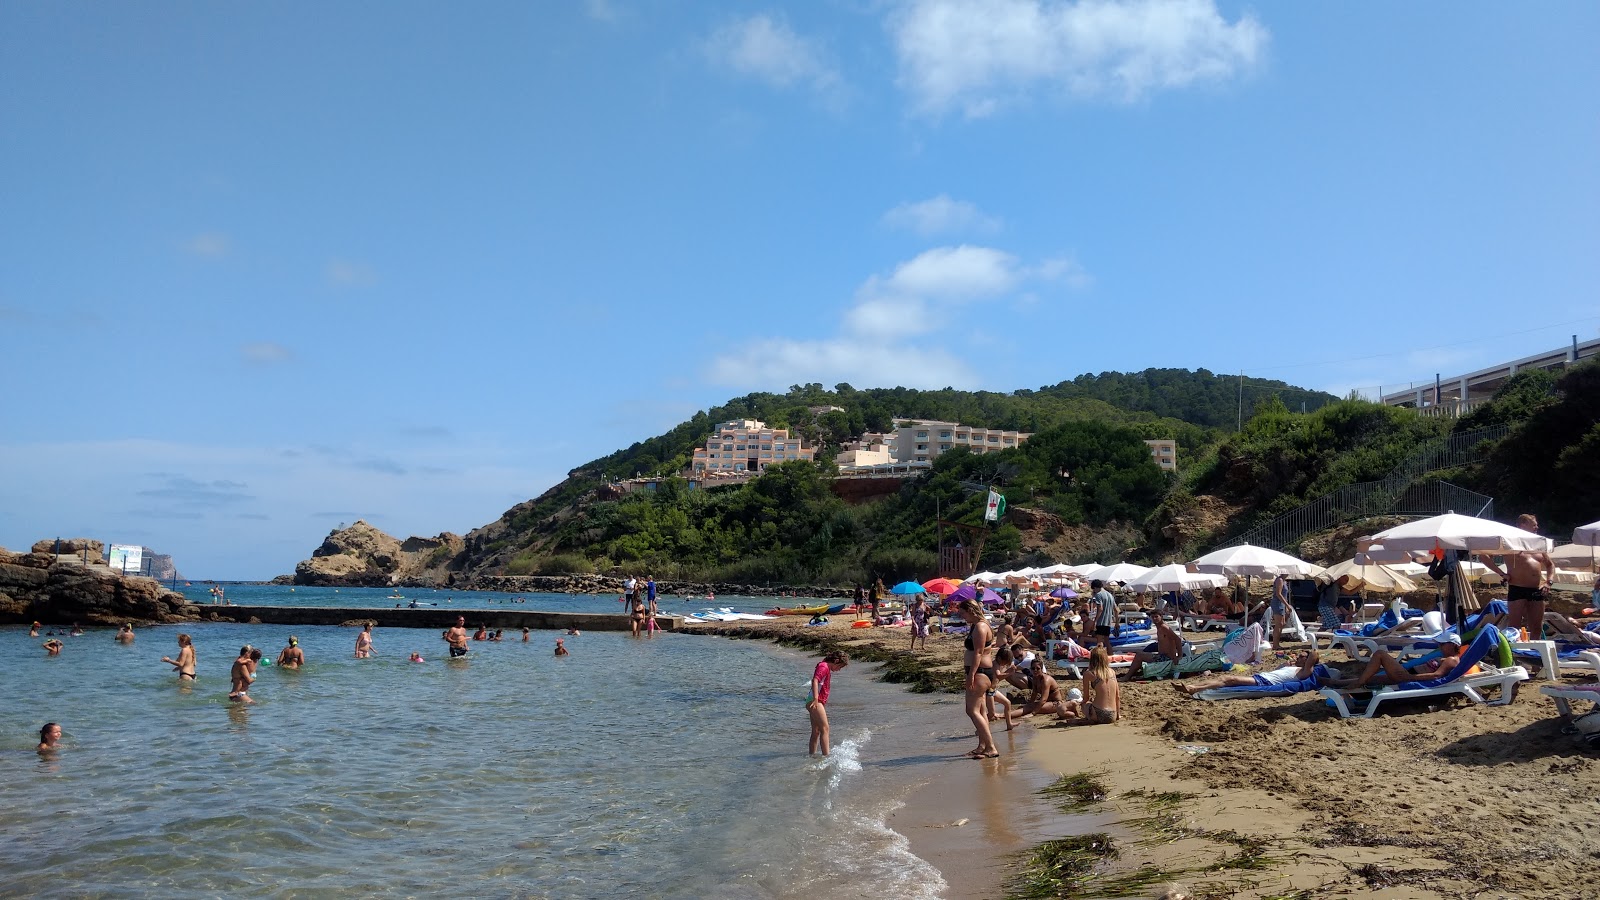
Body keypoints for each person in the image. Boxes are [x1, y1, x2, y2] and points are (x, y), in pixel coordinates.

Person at [1476, 514, 1555, 640]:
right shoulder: (1510, 543)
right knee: (1514, 627)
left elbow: (1550, 565)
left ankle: (1534, 654)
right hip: (1517, 588)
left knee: (1536, 627)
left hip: (1536, 589)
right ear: (1523, 525)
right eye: (1534, 524)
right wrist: (1501, 573)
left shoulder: (1537, 544)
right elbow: (1483, 556)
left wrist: (1548, 582)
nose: (1537, 527)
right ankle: (1513, 654)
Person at [1326, 639, 1462, 689]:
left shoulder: (1451, 660)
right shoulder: (1447, 657)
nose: (1440, 646)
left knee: (1379, 654)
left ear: (1453, 645)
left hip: (1408, 676)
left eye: (1443, 644)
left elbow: (1436, 676)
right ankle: (1333, 682)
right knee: (1371, 678)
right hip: (1408, 675)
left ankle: (1358, 683)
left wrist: (1410, 678)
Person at [957, 598, 1000, 759]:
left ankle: (991, 747)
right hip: (979, 671)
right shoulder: (976, 625)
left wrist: (971, 675)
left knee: (971, 710)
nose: (962, 616)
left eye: (963, 613)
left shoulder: (981, 627)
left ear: (971, 610)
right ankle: (982, 745)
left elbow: (979, 653)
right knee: (981, 710)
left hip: (980, 672)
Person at [1175, 649, 1322, 695]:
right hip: (1262, 677)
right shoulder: (1292, 667)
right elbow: (1276, 672)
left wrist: (1310, 654)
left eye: (1302, 657)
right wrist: (1284, 665)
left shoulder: (1305, 672)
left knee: (1229, 679)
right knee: (1226, 678)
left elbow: (1314, 654)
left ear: (1308, 661)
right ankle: (1195, 686)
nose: (1297, 657)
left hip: (1265, 682)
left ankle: (1193, 689)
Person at [806, 650, 849, 756]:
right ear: (836, 661)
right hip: (815, 701)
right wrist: (816, 699)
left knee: (816, 731)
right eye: (840, 667)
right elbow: (815, 680)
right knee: (825, 728)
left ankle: (812, 755)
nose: (839, 670)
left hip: (813, 701)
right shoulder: (824, 666)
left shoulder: (824, 666)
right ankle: (826, 757)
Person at [1064, 645, 1120, 725]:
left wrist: (1083, 704)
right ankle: (1090, 719)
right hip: (1112, 715)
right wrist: (1118, 715)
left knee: (1084, 705)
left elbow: (1086, 698)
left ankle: (1089, 719)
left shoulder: (1088, 674)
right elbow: (1117, 696)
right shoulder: (1112, 672)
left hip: (1098, 713)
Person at [1090, 580, 1117, 648]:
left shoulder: (1098, 595)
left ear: (1095, 587)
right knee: (1107, 642)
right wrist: (1117, 622)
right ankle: (1110, 656)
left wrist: (1095, 622)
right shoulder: (1110, 595)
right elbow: (1116, 610)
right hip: (1108, 622)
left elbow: (1100, 609)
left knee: (1099, 642)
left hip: (1101, 622)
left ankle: (1100, 658)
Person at [1269, 575, 1291, 649]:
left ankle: (1276, 644)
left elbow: (1285, 595)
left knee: (1282, 623)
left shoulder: (1284, 581)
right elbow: (1278, 594)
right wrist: (1287, 605)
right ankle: (1275, 645)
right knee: (1279, 624)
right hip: (1278, 603)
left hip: (1282, 603)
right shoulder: (1280, 580)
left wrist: (1286, 606)